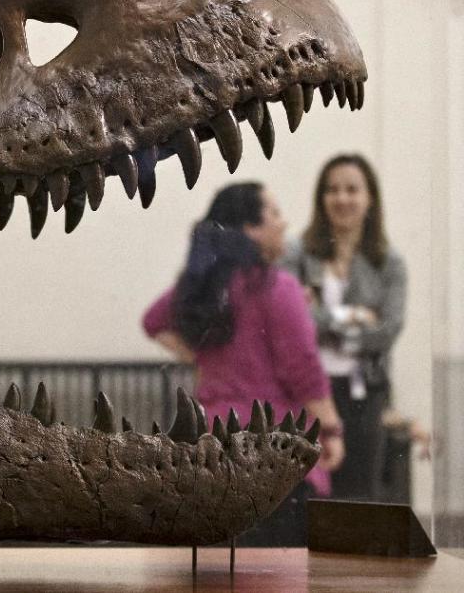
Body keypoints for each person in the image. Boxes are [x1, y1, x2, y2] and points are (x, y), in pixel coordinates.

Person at [142, 182, 344, 546]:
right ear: (251, 228)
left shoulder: (200, 288)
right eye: (275, 213)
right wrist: (330, 430)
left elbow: (153, 322)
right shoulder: (277, 287)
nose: (284, 224)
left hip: (210, 451)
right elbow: (303, 367)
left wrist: (201, 354)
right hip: (276, 456)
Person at [282, 154, 406, 501]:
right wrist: (354, 318)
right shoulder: (297, 253)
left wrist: (324, 319)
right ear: (321, 199)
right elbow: (292, 321)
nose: (342, 198)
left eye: (352, 189)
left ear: (370, 199)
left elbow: (388, 331)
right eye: (332, 190)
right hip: (307, 393)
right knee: (304, 494)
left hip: (364, 391)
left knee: (357, 497)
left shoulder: (388, 262)